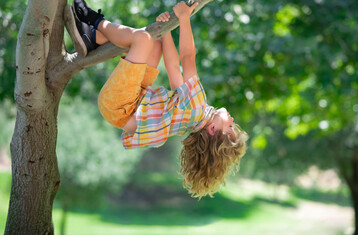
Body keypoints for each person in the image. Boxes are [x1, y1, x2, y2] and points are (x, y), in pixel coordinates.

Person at [66, 0, 248, 198]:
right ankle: (95, 39)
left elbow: (188, 58)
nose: (232, 120)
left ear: (212, 130)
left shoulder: (197, 108)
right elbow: (173, 68)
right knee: (154, 44)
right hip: (130, 101)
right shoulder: (192, 118)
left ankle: (92, 19)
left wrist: (185, 18)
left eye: (229, 127)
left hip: (119, 105)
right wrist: (166, 29)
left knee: (143, 39)